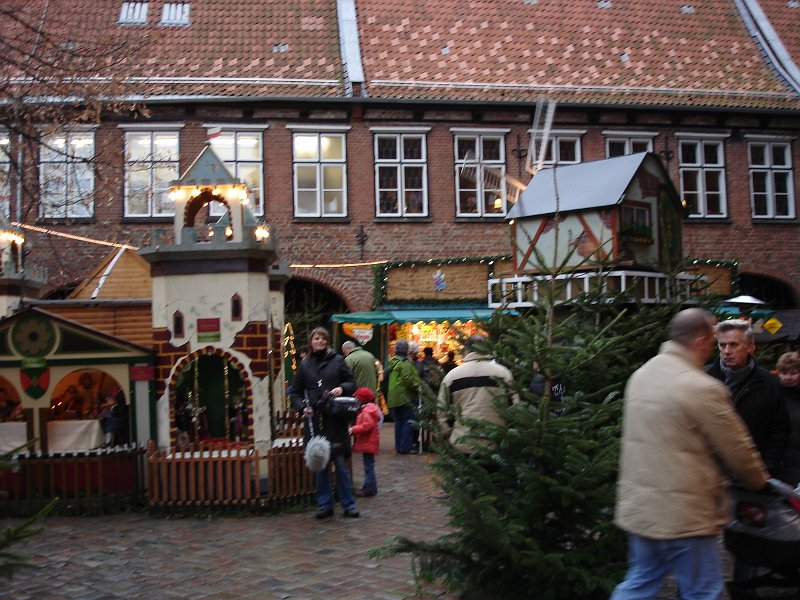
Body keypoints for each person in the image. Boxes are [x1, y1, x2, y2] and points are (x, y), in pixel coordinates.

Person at [611, 308, 769, 599]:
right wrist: (759, 482)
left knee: (639, 582)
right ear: (700, 341)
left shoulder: (641, 376)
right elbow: (737, 449)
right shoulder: (701, 387)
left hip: (641, 509)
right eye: (712, 341)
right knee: (703, 592)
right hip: (684, 514)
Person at [289, 327, 359, 519]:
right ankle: (324, 505)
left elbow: (351, 382)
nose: (319, 341)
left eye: (322, 338)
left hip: (336, 421)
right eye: (316, 338)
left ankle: (348, 504)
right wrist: (303, 407)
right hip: (316, 422)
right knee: (321, 465)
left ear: (327, 341)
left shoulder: (338, 360)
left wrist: (341, 388)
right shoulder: (305, 365)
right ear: (311, 341)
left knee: (341, 464)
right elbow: (295, 392)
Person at [705, 319, 790, 475]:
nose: (727, 351)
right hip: (712, 473)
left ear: (750, 346)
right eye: (722, 345)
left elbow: (780, 429)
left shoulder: (768, 383)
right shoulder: (704, 379)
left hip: (753, 474)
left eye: (734, 345)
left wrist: (767, 468)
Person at [437, 334, 518, 454]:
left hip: (463, 441)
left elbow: (441, 409)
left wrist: (448, 432)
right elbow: (516, 407)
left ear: (467, 349)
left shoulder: (452, 376)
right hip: (497, 442)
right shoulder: (504, 374)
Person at [386, 339, 422, 454]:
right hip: (405, 397)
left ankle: (399, 446)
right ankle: (405, 447)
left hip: (394, 397)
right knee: (408, 421)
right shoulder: (405, 363)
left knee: (399, 422)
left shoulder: (393, 362)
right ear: (406, 350)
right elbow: (408, 380)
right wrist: (418, 387)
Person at [349, 386, 381, 497]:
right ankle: (371, 487)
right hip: (369, 442)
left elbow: (367, 426)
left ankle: (369, 488)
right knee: (369, 465)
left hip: (368, 443)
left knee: (368, 466)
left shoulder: (366, 411)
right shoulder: (369, 409)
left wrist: (353, 429)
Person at [777, 351, 800, 486]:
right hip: (782, 457)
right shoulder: (774, 395)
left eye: (793, 373)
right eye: (784, 372)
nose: (788, 377)